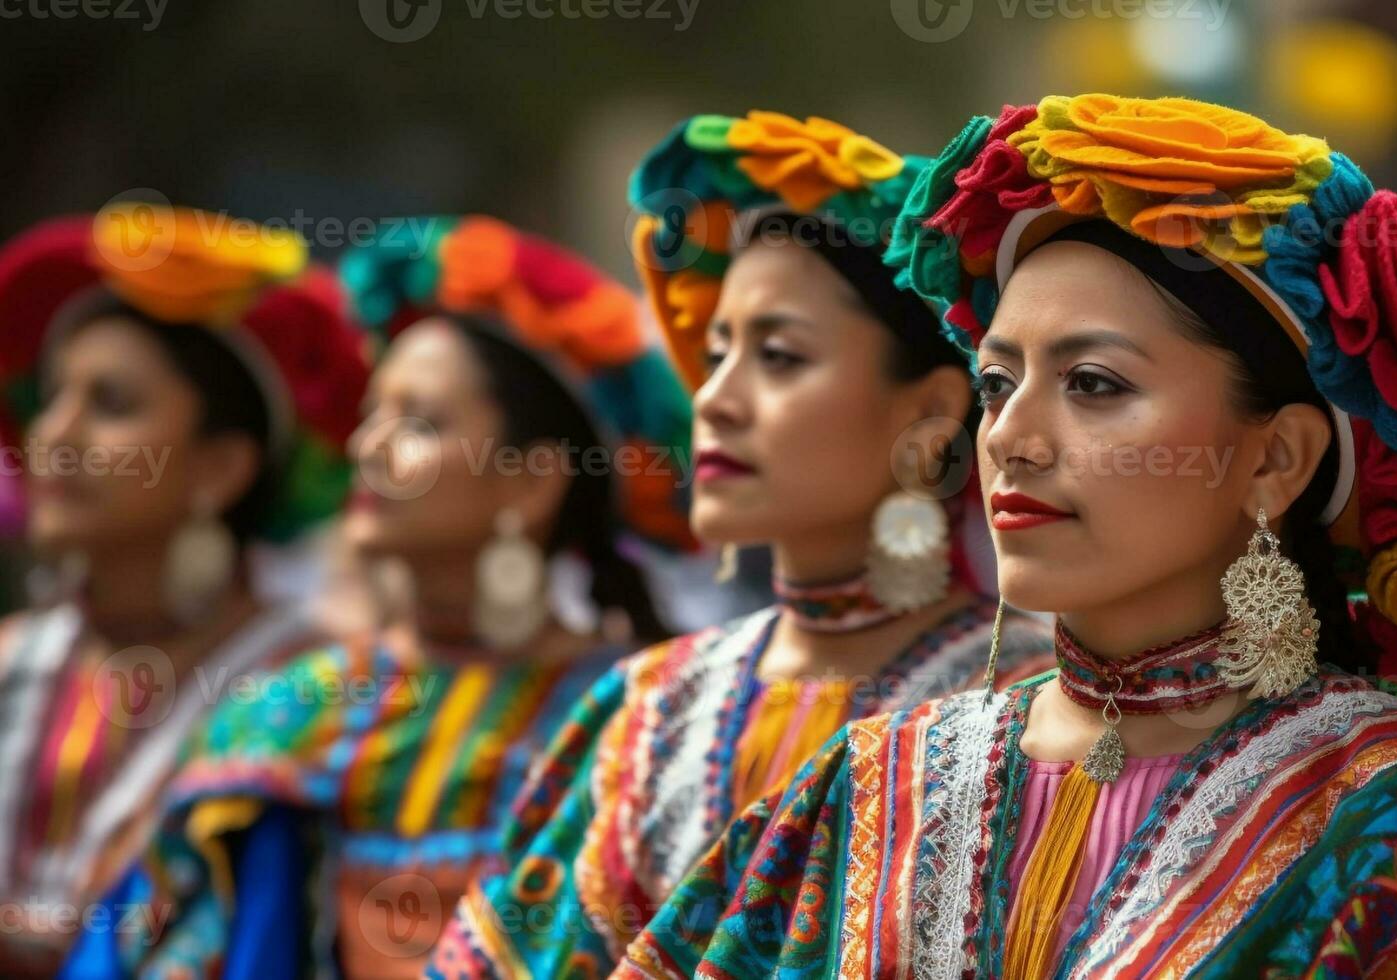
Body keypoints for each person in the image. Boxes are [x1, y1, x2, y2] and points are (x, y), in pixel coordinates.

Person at [619, 94, 1397, 979]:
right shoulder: (876, 777)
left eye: (1094, 385)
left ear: (1277, 457)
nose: (1011, 439)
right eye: (996, 385)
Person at [429, 111, 1056, 979]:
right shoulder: (652, 703)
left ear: (930, 413)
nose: (714, 399)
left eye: (779, 356)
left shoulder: (1029, 708)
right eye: (717, 352)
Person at [67, 215, 686, 979]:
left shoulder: (638, 724)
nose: (367, 448)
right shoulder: (292, 710)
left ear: (530, 481)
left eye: (418, 422)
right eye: (371, 415)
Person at [0, 205, 369, 976]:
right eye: (52, 398)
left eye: (111, 405)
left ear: (219, 470)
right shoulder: (14, 659)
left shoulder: (312, 691)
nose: (56, 435)